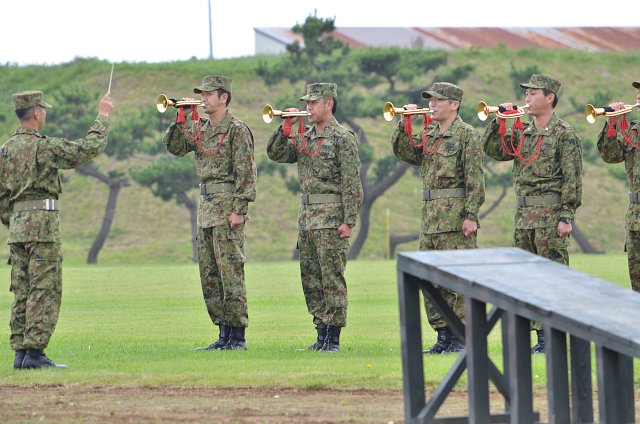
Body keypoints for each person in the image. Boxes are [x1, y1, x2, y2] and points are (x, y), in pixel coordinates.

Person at [0, 90, 113, 369]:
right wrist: (103, 116)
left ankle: (21, 353)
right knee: (44, 289)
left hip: (17, 230)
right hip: (42, 230)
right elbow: (87, 149)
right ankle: (35, 354)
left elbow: (2, 197)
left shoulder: (5, 150)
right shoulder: (45, 147)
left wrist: (14, 222)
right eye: (44, 109)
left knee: (23, 291)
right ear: (36, 113)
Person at [482, 74, 583, 353]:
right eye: (526, 94)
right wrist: (500, 121)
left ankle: (552, 338)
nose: (527, 98)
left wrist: (566, 216)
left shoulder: (565, 133)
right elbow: (494, 150)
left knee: (552, 277)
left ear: (549, 98)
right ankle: (534, 338)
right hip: (524, 216)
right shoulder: (522, 131)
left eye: (533, 93)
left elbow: (572, 178)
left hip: (550, 215)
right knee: (526, 279)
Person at [266, 83, 363, 353]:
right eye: (306, 103)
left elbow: (352, 183)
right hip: (308, 219)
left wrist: (349, 221)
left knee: (331, 278)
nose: (308, 108)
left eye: (313, 103)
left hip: (331, 219)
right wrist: (284, 128)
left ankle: (333, 338)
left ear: (329, 104)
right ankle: (320, 334)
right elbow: (276, 154)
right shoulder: (304, 136)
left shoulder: (343, 137)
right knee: (311, 279)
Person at [390, 82, 485, 354]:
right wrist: (403, 124)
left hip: (456, 220)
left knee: (456, 277)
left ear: (454, 105)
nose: (431, 104)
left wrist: (470, 216)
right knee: (431, 280)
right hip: (431, 220)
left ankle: (461, 337)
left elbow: (475, 180)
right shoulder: (429, 133)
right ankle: (443, 335)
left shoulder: (467, 135)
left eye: (438, 100)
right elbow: (405, 153)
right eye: (430, 100)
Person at [163, 75, 256, 351]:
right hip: (206, 209)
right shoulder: (200, 129)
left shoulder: (237, 129)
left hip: (228, 207)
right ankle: (223, 333)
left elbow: (246, 173)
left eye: (208, 95)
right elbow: (176, 148)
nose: (202, 99)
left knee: (230, 272)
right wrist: (180, 119)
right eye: (201, 95)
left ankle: (237, 336)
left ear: (223, 97)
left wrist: (240, 209)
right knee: (210, 274)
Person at [596, 81, 640, 292]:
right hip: (635, 216)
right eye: (638, 92)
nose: (638, 96)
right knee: (637, 282)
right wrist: (612, 123)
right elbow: (610, 155)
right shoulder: (633, 132)